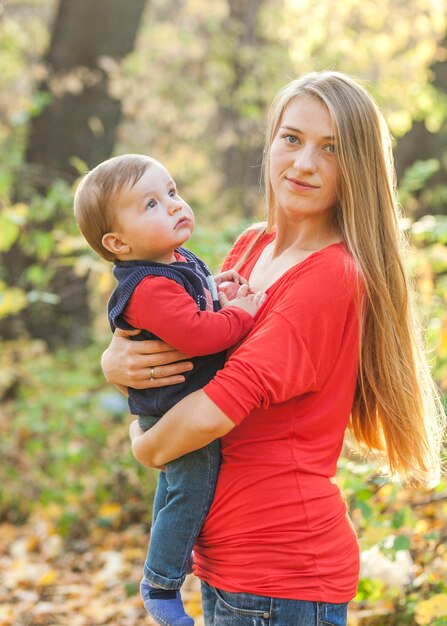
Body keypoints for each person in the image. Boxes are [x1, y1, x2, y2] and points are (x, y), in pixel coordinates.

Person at [101, 71, 445, 626]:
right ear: (270, 144)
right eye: (292, 138)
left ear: (356, 166)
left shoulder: (332, 277)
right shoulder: (252, 244)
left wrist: (143, 444)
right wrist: (115, 360)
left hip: (279, 574)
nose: (303, 163)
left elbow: (215, 408)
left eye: (330, 149)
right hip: (227, 565)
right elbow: (185, 348)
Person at [73, 153, 266, 626]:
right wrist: (241, 314)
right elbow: (200, 334)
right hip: (174, 412)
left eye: (173, 193)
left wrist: (216, 289)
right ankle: (161, 583)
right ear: (118, 242)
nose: (176, 206)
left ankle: (159, 573)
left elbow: (194, 301)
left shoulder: (173, 259)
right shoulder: (146, 286)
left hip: (180, 405)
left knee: (175, 487)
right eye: (152, 205)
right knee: (190, 487)